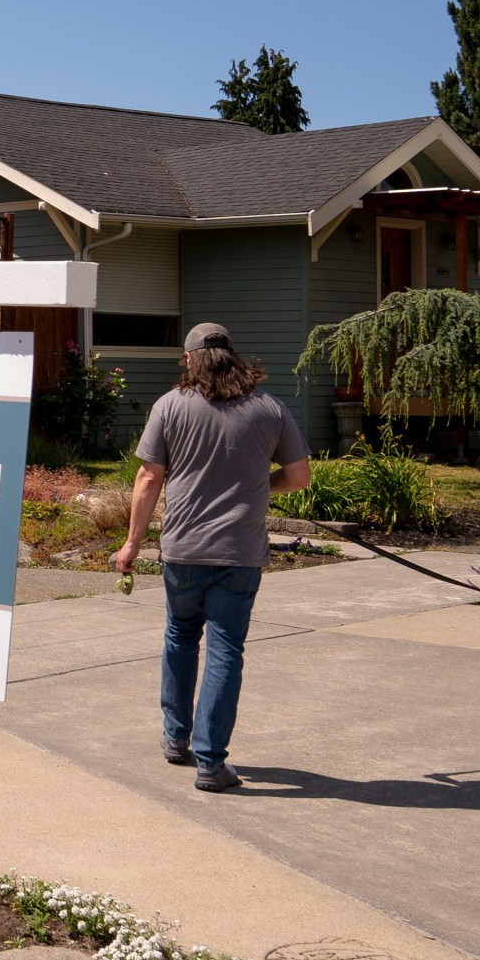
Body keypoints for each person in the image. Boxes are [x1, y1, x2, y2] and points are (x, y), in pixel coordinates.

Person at [112, 322, 311, 792]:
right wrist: (263, 486)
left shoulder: (169, 406)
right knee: (225, 650)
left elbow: (147, 479)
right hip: (239, 553)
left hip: (183, 549)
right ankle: (211, 762)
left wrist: (132, 543)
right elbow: (300, 476)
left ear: (190, 360)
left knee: (180, 636)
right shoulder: (269, 409)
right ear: (232, 357)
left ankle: (175, 738)